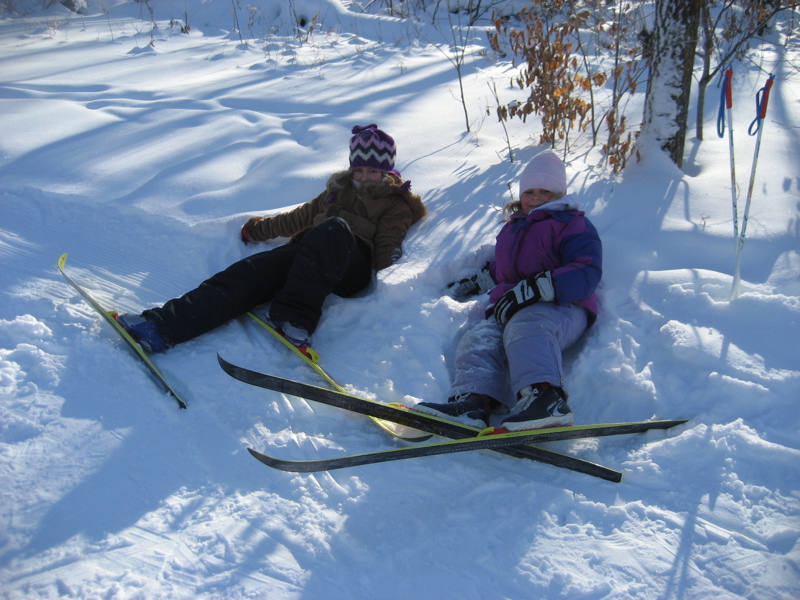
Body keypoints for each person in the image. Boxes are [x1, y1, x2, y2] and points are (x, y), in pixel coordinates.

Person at [116, 124, 427, 353]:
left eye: (373, 172)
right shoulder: (336, 192)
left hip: (351, 267)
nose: (364, 177)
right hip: (310, 257)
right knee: (249, 272)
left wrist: (392, 284)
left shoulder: (394, 202)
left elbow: (388, 243)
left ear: (387, 173)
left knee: (334, 229)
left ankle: (295, 320)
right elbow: (298, 218)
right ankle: (160, 326)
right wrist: (257, 230)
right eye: (359, 170)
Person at [413, 150, 601, 431]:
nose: (535, 197)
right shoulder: (513, 229)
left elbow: (587, 270)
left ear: (559, 194)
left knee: (527, 326)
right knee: (479, 338)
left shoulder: (572, 224)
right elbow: (503, 269)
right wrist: (477, 282)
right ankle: (473, 402)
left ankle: (545, 398)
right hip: (511, 306)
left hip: (562, 307)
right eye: (530, 191)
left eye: (545, 191)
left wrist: (538, 288)